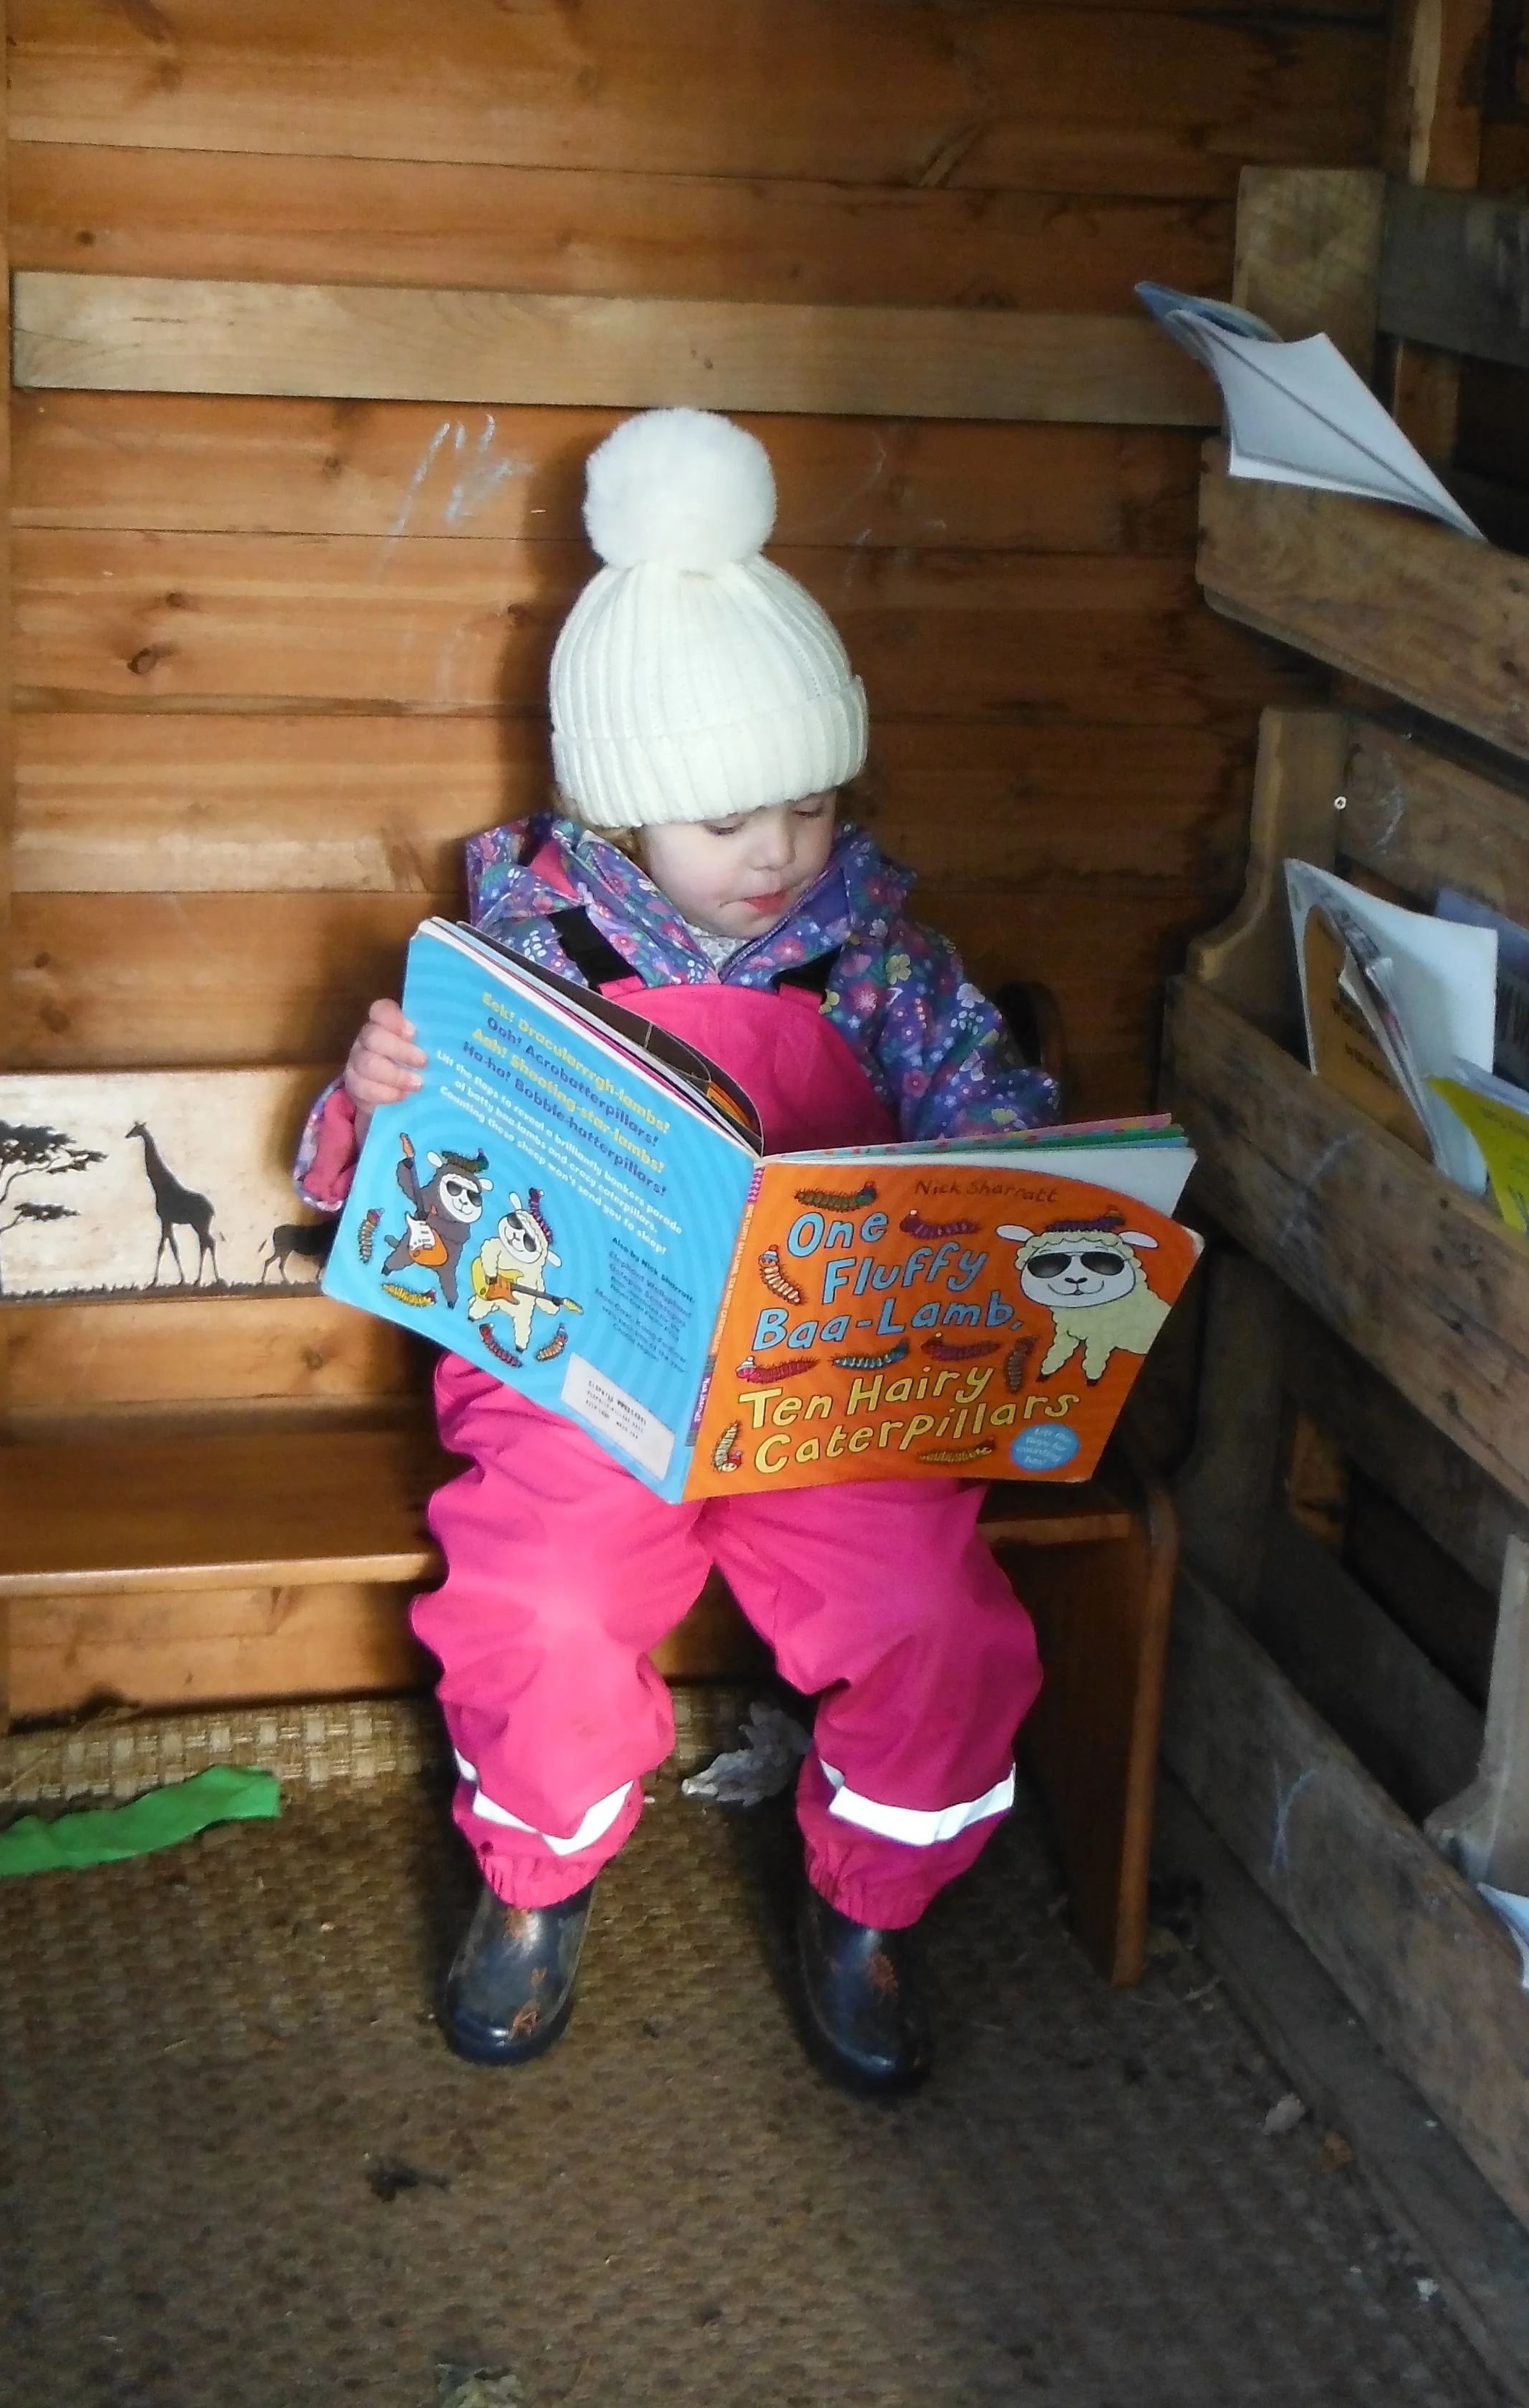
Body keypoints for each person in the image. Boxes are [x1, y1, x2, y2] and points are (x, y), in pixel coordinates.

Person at [295, 407, 1057, 2094]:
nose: (774, 852)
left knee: (934, 1609)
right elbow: (374, 1189)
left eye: (801, 802)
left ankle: (869, 1899)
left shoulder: (884, 961)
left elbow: (1000, 1130)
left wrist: (1013, 1167)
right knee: (547, 1603)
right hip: (578, 1380)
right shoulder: (525, 952)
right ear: (627, 810)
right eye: (722, 821)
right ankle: (534, 1880)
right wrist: (373, 1098)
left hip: (825, 1393)